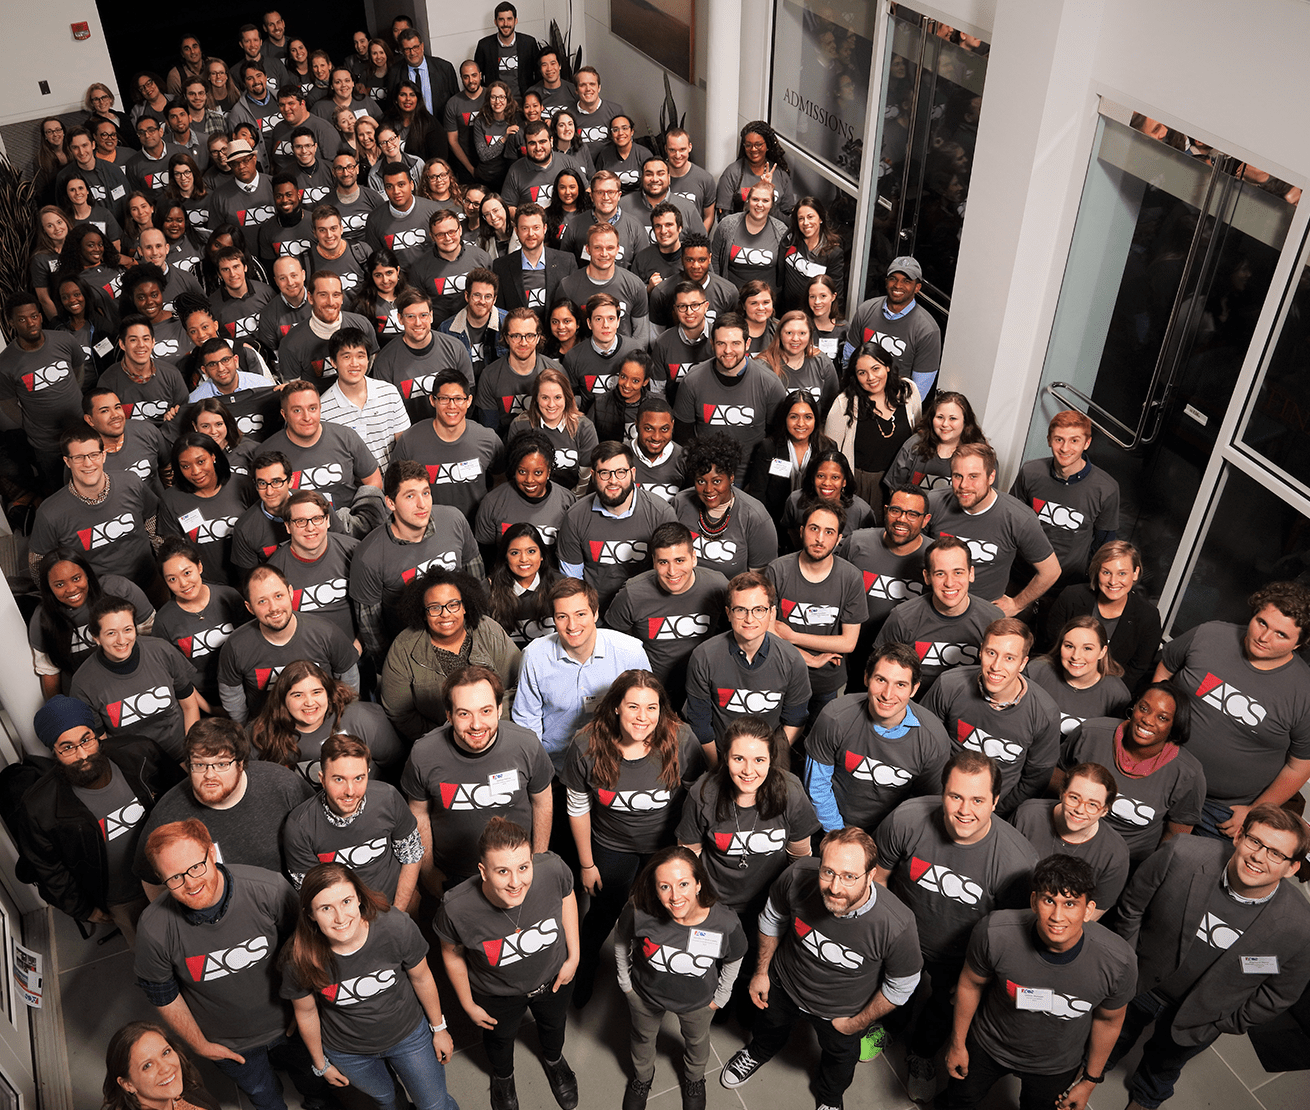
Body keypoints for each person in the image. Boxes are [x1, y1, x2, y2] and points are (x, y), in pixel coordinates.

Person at [1110, 805, 1310, 1110]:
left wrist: (1227, 1021)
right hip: (1140, 982)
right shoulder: (1183, 854)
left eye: (1276, 853)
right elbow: (1132, 907)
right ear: (1239, 836)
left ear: (1292, 867)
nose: (1259, 856)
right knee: (1113, 1035)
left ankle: (1146, 1096)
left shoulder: (1300, 927)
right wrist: (1125, 967)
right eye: (1255, 841)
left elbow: (1279, 994)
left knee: (1165, 1063)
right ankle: (1092, 1067)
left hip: (1203, 1015)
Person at [718, 827, 922, 1110]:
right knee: (768, 1026)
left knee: (840, 1060)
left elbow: (901, 985)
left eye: (849, 876)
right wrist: (761, 973)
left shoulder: (896, 924)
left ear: (870, 875)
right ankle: (757, 1052)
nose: (835, 887)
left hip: (842, 1010)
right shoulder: (798, 876)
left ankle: (830, 1097)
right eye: (828, 872)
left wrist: (857, 1023)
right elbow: (772, 919)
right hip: (784, 984)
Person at [872, 752, 1039, 1092]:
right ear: (943, 791)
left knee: (942, 1009)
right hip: (904, 938)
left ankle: (921, 1054)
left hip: (962, 957)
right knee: (897, 991)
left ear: (995, 801)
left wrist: (978, 976)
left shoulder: (1017, 863)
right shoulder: (906, 819)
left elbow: (1011, 933)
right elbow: (879, 878)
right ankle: (887, 1028)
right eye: (955, 796)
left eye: (978, 800)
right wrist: (884, 937)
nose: (965, 810)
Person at [133, 818, 326, 1110]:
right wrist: (199, 1045)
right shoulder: (154, 928)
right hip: (229, 1043)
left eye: (196, 867)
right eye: (175, 878)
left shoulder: (270, 889)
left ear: (212, 853)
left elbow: (305, 950)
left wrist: (305, 1009)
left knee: (313, 1081)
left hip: (292, 1022)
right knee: (263, 1095)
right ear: (161, 879)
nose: (191, 883)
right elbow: (162, 993)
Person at [941, 856, 1136, 1110]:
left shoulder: (1118, 963)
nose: (1057, 916)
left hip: (1056, 1065)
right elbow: (970, 984)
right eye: (1049, 901)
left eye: (1070, 904)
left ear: (1088, 910)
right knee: (957, 1101)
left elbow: (1109, 1021)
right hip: (989, 1044)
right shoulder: (995, 932)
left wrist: (1089, 1081)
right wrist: (957, 1044)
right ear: (1034, 901)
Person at [563, 669, 700, 1006]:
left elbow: (699, 799)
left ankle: (655, 978)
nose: (643, 717)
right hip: (612, 844)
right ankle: (583, 970)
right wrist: (587, 864)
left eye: (651, 708)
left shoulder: (681, 738)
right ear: (616, 707)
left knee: (663, 912)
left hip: (666, 846)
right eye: (633, 706)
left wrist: (688, 856)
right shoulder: (586, 744)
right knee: (603, 912)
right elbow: (578, 807)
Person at [282, 862, 457, 1110]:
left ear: (359, 899)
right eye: (325, 908)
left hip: (408, 1036)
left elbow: (422, 977)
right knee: (387, 1102)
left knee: (434, 1105)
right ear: (310, 914)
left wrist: (439, 1029)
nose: (340, 918)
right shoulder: (298, 957)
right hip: (349, 1052)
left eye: (346, 901)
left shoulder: (395, 926)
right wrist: (321, 1064)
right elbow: (306, 1012)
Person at [436, 818, 580, 1110]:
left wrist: (574, 956)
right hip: (496, 995)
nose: (516, 882)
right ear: (483, 871)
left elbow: (567, 896)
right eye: (502, 871)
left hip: (554, 978)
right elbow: (452, 955)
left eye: (523, 868)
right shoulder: (456, 908)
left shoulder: (552, 869)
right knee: (499, 1041)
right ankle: (503, 1078)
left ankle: (554, 1060)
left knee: (554, 1026)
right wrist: (468, 1004)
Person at [1153, 581, 1310, 838]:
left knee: (1191, 863)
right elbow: (1166, 668)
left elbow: (1300, 766)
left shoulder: (1304, 693)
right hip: (1158, 771)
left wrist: (1255, 811)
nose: (1264, 637)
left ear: (1298, 644)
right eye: (1261, 622)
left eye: (1281, 634)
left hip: (1223, 810)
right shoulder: (1208, 634)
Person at [15, 696, 177, 946]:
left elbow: (180, 796)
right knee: (152, 950)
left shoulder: (140, 752)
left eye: (86, 740)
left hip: (173, 872)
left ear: (96, 734)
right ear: (53, 751)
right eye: (67, 747)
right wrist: (83, 909)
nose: (82, 754)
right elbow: (48, 868)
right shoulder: (39, 806)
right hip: (123, 899)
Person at [615, 846, 748, 1110]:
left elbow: (735, 957)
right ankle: (642, 1078)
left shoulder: (725, 923)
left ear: (699, 884)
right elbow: (621, 938)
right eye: (664, 887)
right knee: (642, 1038)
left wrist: (721, 997)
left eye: (683, 884)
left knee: (697, 1043)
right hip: (645, 995)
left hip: (698, 1001)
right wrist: (625, 983)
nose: (675, 896)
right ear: (655, 889)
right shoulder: (639, 909)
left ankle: (694, 1079)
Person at [131, 719, 315, 890]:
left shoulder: (283, 785)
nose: (209, 775)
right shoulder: (167, 815)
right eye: (199, 765)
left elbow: (322, 835)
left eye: (221, 764)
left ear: (241, 764)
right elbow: (150, 880)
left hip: (292, 900)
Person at [676, 715, 818, 933]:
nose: (748, 771)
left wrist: (787, 904)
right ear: (725, 757)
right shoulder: (703, 794)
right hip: (715, 902)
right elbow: (688, 857)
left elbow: (799, 859)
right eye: (739, 759)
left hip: (770, 903)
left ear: (771, 759)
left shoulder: (790, 792)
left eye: (759, 760)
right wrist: (697, 904)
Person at [805, 642, 952, 834]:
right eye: (881, 680)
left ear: (914, 689)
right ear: (866, 677)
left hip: (893, 833)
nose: (888, 695)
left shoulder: (933, 738)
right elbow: (817, 786)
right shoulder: (835, 717)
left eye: (900, 684)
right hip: (833, 826)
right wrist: (839, 836)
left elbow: (926, 805)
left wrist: (890, 840)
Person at [348, 458, 482, 667]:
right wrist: (392, 667)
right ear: (390, 503)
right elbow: (371, 629)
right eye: (410, 496)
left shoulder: (453, 520)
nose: (422, 504)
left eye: (426, 493)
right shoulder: (368, 556)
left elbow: (476, 579)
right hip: (411, 655)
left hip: (463, 639)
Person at [513, 577, 652, 771]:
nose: (572, 625)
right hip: (557, 765)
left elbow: (648, 711)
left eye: (580, 614)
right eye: (562, 616)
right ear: (553, 619)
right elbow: (527, 720)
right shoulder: (534, 656)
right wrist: (539, 771)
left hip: (617, 761)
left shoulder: (630, 652)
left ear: (595, 613)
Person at [1060, 682, 1206, 863]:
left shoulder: (1188, 774)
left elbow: (1176, 834)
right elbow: (1055, 775)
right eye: (1144, 708)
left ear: (1174, 725)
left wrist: (1149, 868)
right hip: (1065, 841)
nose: (1148, 720)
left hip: (1125, 863)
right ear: (1134, 706)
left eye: (1162, 718)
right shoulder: (1091, 733)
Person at [682, 571, 811, 765]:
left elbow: (795, 720)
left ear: (772, 613)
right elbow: (700, 723)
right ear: (728, 613)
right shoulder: (704, 657)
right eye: (741, 610)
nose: (750, 619)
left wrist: (767, 762)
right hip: (721, 756)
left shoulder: (792, 660)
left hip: (770, 755)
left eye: (759, 610)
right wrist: (716, 769)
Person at [381, 567, 521, 740]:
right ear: (423, 614)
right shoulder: (403, 648)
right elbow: (400, 713)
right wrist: (447, 737)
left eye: (453, 605)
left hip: (497, 733)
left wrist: (487, 728)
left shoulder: (488, 631)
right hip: (438, 740)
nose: (445, 614)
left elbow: (519, 686)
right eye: (434, 608)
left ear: (464, 607)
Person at [281, 734, 422, 905]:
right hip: (343, 914)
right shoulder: (299, 826)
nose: (350, 791)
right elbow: (311, 892)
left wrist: (399, 911)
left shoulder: (388, 798)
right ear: (322, 779)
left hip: (395, 902)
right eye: (339, 779)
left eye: (358, 778)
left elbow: (412, 855)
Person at [927, 442, 1062, 617]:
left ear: (991, 477)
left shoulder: (1019, 518)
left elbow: (1051, 571)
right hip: (934, 606)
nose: (964, 485)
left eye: (973, 476)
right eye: (958, 476)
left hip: (983, 614)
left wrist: (1017, 604)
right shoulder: (934, 502)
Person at [605, 521, 729, 706]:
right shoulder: (632, 593)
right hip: (651, 693)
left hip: (703, 688)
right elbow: (611, 645)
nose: (672, 572)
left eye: (679, 560)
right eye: (663, 562)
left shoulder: (718, 586)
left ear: (694, 558)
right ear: (654, 562)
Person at [217, 564, 361, 724]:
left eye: (278, 596)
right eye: (262, 601)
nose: (274, 608)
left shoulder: (326, 632)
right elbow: (232, 696)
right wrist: (246, 728)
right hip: (268, 726)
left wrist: (343, 720)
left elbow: (349, 680)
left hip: (322, 722)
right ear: (250, 607)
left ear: (290, 593)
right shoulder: (236, 646)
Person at [766, 501, 868, 718]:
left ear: (839, 539)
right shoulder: (778, 570)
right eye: (814, 529)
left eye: (829, 532)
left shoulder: (850, 577)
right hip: (780, 673)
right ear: (802, 531)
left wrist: (792, 636)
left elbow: (848, 643)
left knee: (819, 735)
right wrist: (810, 658)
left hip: (826, 681)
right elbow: (766, 629)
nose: (820, 538)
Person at [68, 595, 199, 760]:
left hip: (181, 752)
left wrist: (192, 753)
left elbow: (189, 706)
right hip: (134, 764)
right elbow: (102, 742)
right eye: (111, 633)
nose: (122, 640)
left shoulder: (161, 651)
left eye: (128, 630)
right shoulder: (83, 684)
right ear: (96, 637)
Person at [28, 426, 159, 590]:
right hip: (99, 594)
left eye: (94, 455)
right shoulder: (50, 513)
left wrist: (165, 563)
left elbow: (153, 521)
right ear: (67, 462)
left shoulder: (131, 482)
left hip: (150, 581)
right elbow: (38, 563)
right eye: (78, 457)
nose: (88, 463)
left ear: (103, 456)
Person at [874, 535, 1004, 693]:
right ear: (927, 577)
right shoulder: (902, 618)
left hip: (970, 702)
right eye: (940, 574)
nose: (949, 583)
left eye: (958, 572)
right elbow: (881, 674)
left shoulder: (994, 619)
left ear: (971, 573)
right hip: (914, 703)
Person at [556, 441, 677, 609]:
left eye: (621, 472)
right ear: (593, 475)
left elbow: (671, 572)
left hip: (646, 607)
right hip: (594, 610)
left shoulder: (661, 513)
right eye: (604, 473)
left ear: (633, 473)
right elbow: (573, 583)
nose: (613, 481)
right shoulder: (575, 517)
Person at [29, 547, 155, 699]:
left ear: (87, 574)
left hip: (134, 683)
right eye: (59, 585)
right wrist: (59, 708)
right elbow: (49, 671)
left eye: (76, 578)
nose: (71, 589)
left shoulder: (118, 589)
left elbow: (153, 638)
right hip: (84, 696)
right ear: (49, 587)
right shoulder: (43, 618)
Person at [1011, 409, 1120, 584]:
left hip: (1067, 584)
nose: (1065, 448)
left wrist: (1086, 579)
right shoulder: (1030, 472)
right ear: (1049, 440)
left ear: (1087, 443)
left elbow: (1104, 545)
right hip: (1020, 575)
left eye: (1074, 440)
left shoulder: (1106, 488)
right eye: (1059, 439)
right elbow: (1011, 521)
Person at [258, 380, 384, 531]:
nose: (307, 417)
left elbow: (373, 480)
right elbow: (268, 499)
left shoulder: (346, 436)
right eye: (297, 410)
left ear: (320, 408)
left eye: (312, 408)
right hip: (301, 530)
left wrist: (357, 521)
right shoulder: (267, 452)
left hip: (349, 526)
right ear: (284, 415)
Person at [251, 659, 403, 784]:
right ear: (282, 700)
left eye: (316, 692)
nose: (309, 702)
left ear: (328, 693)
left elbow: (398, 767)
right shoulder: (262, 732)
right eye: (298, 695)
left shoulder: (362, 717)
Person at [1012, 764, 1131, 919]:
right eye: (1074, 798)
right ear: (1062, 793)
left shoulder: (1115, 853)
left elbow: (1094, 911)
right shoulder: (1028, 815)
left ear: (1104, 810)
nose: (1080, 810)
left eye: (1092, 805)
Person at [1043, 540, 1163, 694]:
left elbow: (1136, 670)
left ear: (1135, 573)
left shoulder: (1148, 617)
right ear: (1097, 571)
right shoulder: (1071, 597)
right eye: (1106, 572)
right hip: (1058, 680)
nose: (1113, 581)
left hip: (1107, 693)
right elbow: (1051, 645)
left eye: (1122, 573)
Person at [672, 314, 787, 473]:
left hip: (751, 475)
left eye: (735, 343)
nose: (728, 351)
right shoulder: (692, 381)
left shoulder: (770, 384)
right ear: (712, 344)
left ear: (747, 344)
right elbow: (682, 438)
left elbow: (777, 439)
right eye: (721, 343)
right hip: (706, 474)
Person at [390, 367, 506, 520]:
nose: (452, 406)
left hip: (475, 528)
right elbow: (394, 487)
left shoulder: (488, 439)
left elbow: (501, 481)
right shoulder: (409, 441)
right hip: (427, 527)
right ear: (433, 400)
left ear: (469, 401)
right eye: (444, 398)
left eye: (458, 399)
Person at [0, 293, 87, 490]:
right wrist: (34, 424)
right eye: (22, 319)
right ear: (12, 323)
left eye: (33, 316)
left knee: (89, 481)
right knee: (59, 490)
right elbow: (8, 405)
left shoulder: (64, 340)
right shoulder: (5, 363)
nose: (30, 323)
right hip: (46, 444)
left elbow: (79, 370)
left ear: (40, 316)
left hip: (80, 430)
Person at [154, 537, 246, 712]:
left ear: (199, 567)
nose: (183, 584)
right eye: (172, 579)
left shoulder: (229, 596)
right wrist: (210, 709)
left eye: (187, 573)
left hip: (241, 686)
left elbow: (252, 645)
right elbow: (176, 676)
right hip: (202, 700)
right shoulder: (164, 621)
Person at [157, 432, 254, 585]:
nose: (195, 471)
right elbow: (175, 553)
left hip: (250, 581)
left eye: (201, 461)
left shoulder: (242, 484)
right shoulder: (171, 499)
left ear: (213, 456)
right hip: (206, 587)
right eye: (186, 466)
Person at [264, 491, 359, 640]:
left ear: (327, 520)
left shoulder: (354, 551)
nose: (310, 528)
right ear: (288, 527)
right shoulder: (273, 574)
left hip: (358, 647)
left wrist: (359, 646)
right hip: (305, 652)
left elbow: (372, 610)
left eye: (316, 519)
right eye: (300, 521)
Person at [844, 256, 943, 398]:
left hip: (895, 402)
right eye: (893, 279)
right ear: (886, 281)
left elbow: (919, 389)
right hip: (859, 396)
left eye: (906, 281)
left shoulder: (927, 330)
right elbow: (849, 359)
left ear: (917, 287)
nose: (898, 285)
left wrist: (895, 408)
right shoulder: (865, 310)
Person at [473, 430, 576, 566]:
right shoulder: (493, 502)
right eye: (522, 471)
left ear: (548, 472)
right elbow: (486, 554)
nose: (529, 480)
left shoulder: (567, 501)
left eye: (538, 472)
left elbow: (572, 552)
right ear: (514, 470)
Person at [372, 290, 477, 422]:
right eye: (410, 316)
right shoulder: (385, 360)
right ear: (400, 319)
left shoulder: (455, 348)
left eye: (423, 315)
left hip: (451, 428)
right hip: (408, 432)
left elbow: (468, 396)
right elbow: (385, 411)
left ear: (431, 316)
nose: (418, 323)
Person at [317, 328, 410, 470]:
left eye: (360, 356)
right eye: (346, 357)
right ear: (333, 362)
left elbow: (404, 443)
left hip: (393, 478)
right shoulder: (322, 409)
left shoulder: (389, 392)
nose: (354, 363)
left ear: (368, 359)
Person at [1029, 616, 1133, 735]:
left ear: (1102, 652)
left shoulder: (1117, 694)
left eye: (1087, 648)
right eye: (1069, 646)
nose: (1076, 656)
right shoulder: (1037, 671)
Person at [101, 1020, 222, 1110]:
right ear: (128, 1084)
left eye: (166, 1052)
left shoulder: (189, 1082)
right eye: (147, 1065)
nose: (166, 1068)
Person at [884, 389, 987, 496]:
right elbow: (895, 489)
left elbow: (983, 497)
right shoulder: (914, 444)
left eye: (953, 418)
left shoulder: (980, 454)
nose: (945, 424)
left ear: (965, 422)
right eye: (940, 417)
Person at [508, 368, 598, 488]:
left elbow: (585, 479)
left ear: (566, 397)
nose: (551, 404)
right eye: (545, 398)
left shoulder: (584, 427)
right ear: (536, 398)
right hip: (531, 493)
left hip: (573, 495)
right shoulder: (520, 425)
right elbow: (514, 471)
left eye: (557, 397)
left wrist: (572, 498)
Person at [776, 448, 876, 552]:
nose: (827, 483)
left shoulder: (862, 511)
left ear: (844, 482)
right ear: (813, 478)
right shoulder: (795, 501)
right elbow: (789, 533)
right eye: (821, 476)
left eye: (835, 477)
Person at [409, 207, 494, 325]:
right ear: (432, 236)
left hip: (480, 326)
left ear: (460, 230)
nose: (448, 238)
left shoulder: (481, 258)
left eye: (451, 232)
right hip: (440, 330)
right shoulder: (419, 268)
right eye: (440, 234)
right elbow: (417, 307)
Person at [492, 202, 579, 313]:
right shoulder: (501, 267)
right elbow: (500, 312)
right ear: (516, 231)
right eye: (524, 228)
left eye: (536, 228)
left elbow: (574, 308)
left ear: (545, 228)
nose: (531, 234)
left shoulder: (567, 262)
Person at [390, 29, 459, 160]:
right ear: (402, 51)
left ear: (422, 46)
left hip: (441, 135)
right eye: (407, 49)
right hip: (409, 138)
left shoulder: (444, 68)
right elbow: (392, 105)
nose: (412, 53)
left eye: (415, 47)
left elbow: (455, 105)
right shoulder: (394, 72)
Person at [712, 184, 787, 298]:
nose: (759, 204)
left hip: (765, 301)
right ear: (748, 200)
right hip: (732, 298)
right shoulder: (727, 225)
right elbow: (715, 260)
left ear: (772, 204)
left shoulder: (781, 230)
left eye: (765, 200)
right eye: (755, 199)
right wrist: (719, 291)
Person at [778, 196, 846, 314]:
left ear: (820, 218)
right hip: (785, 311)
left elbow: (836, 293)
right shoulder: (791, 238)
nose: (805, 223)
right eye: (801, 219)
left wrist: (831, 320)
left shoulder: (833, 252)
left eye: (810, 217)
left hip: (811, 315)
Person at [714, 121, 795, 218]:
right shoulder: (732, 173)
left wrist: (769, 199)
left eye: (758, 144)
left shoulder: (780, 175)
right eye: (748, 145)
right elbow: (723, 218)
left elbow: (789, 219)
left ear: (767, 146)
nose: (753, 149)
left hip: (775, 226)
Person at [476, 4, 540, 100]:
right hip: (497, 103)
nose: (505, 23)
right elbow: (477, 77)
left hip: (524, 101)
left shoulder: (529, 43)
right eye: (501, 19)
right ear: (495, 22)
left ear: (516, 21)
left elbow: (539, 73)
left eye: (509, 19)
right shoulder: (484, 46)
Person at [630, 396, 685, 503]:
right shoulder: (619, 456)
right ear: (636, 424)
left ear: (672, 425)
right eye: (648, 429)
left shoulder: (685, 459)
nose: (656, 437)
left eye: (664, 429)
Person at [663, 128, 715, 231]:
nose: (678, 155)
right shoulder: (657, 179)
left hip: (693, 238)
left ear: (690, 147)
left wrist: (700, 238)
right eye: (672, 150)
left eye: (682, 149)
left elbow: (709, 216)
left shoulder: (705, 179)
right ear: (666, 149)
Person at [444, 59, 487, 182]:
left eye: (474, 75)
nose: (471, 80)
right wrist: (470, 169)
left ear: (480, 75)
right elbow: (452, 141)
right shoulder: (453, 103)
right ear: (461, 78)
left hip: (492, 163)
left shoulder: (492, 96)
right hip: (466, 163)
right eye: (466, 77)